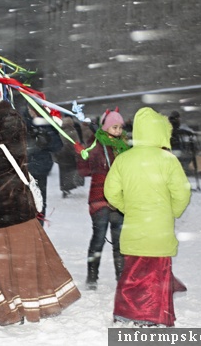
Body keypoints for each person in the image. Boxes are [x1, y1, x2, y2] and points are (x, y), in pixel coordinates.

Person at [0, 87, 81, 326]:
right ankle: (27, 304)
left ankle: (2, 309)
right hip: (16, 206)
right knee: (22, 260)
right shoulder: (16, 124)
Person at [104, 107, 191, 327]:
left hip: (134, 227)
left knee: (132, 273)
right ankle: (153, 315)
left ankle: (126, 312)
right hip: (159, 229)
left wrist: (128, 207)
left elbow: (111, 193)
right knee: (157, 274)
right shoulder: (168, 160)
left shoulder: (124, 159)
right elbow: (182, 193)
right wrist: (172, 211)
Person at [77, 108, 130, 290]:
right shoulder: (96, 144)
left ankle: (121, 277)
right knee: (98, 238)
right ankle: (92, 278)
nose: (117, 131)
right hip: (100, 197)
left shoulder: (124, 146)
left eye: (120, 127)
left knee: (119, 241)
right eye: (114, 127)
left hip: (119, 199)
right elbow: (84, 170)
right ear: (106, 127)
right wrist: (84, 155)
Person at [23, 104, 63, 224]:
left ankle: (39, 229)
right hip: (24, 170)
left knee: (40, 203)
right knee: (26, 204)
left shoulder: (46, 123)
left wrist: (47, 137)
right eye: (31, 109)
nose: (33, 113)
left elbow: (58, 146)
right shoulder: (22, 123)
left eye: (36, 110)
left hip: (40, 169)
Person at [53, 114, 84, 198]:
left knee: (63, 172)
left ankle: (64, 188)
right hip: (70, 154)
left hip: (62, 155)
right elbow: (76, 143)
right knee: (71, 171)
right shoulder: (73, 131)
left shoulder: (60, 131)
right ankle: (69, 185)